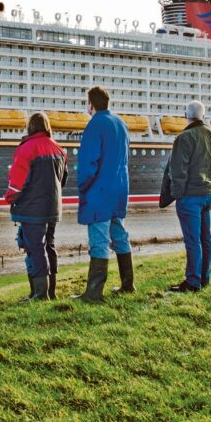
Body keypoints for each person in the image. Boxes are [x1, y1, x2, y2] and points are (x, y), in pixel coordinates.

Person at [74, 86, 133, 302]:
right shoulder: (121, 124)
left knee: (99, 239)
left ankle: (94, 293)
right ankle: (128, 284)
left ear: (91, 104)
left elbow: (89, 162)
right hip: (120, 187)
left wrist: (82, 185)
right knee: (119, 234)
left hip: (100, 189)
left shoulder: (94, 125)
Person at [5, 112, 68, 301]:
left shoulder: (26, 149)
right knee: (49, 246)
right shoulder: (59, 149)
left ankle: (39, 294)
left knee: (35, 248)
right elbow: (62, 180)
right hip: (53, 208)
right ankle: (50, 292)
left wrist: (9, 198)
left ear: (30, 127)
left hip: (32, 210)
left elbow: (16, 183)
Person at [162, 100, 211, 292]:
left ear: (185, 115)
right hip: (207, 194)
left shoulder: (185, 137)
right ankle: (205, 278)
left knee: (192, 240)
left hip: (190, 196)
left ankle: (192, 282)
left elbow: (177, 170)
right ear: (203, 116)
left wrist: (177, 194)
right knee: (206, 238)